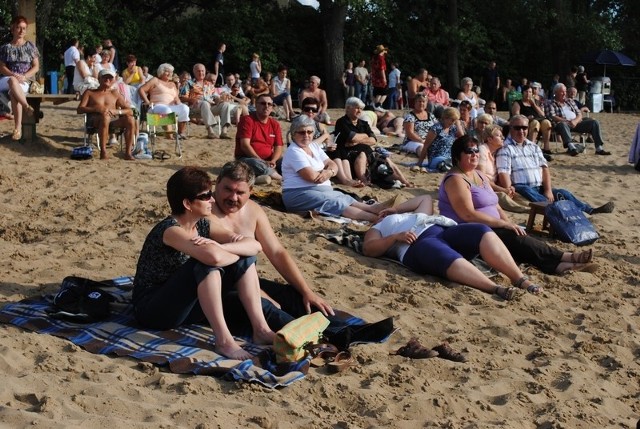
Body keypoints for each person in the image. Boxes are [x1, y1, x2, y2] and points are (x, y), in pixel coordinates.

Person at [133, 166, 275, 360]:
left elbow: (254, 246)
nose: (213, 200)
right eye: (205, 196)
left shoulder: (202, 224)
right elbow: (213, 259)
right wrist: (220, 251)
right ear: (187, 203)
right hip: (153, 310)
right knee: (205, 264)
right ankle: (224, 341)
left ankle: (261, 330)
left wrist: (222, 248)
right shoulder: (170, 230)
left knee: (245, 257)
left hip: (184, 306)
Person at [439, 134, 597, 278]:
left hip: (490, 225)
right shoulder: (456, 179)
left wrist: (509, 223)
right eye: (469, 151)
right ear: (457, 155)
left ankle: (560, 266)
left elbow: (496, 205)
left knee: (519, 237)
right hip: (469, 230)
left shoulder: (478, 174)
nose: (474, 154)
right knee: (516, 239)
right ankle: (565, 257)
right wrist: (503, 224)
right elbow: (467, 214)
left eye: (476, 150)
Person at [363, 194, 537, 301]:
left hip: (443, 229)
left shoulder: (414, 214)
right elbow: (369, 249)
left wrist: (395, 209)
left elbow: (424, 198)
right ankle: (495, 288)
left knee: (481, 229)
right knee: (438, 251)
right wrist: (395, 237)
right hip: (416, 243)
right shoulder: (378, 228)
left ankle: (520, 279)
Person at [496, 115, 615, 214]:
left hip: (539, 187)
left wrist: (548, 190)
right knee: (526, 189)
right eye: (517, 128)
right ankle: (556, 209)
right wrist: (509, 190)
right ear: (510, 128)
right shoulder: (506, 149)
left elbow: (544, 169)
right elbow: (503, 173)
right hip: (520, 187)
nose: (521, 131)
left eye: (524, 127)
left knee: (563, 193)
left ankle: (589, 210)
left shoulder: (533, 147)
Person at [281, 115, 391, 221]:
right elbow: (311, 177)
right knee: (335, 202)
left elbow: (332, 164)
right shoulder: (294, 151)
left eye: (309, 132)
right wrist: (329, 172)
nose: (306, 135)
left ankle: (373, 209)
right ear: (294, 134)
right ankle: (373, 218)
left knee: (344, 197)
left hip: (319, 190)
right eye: (302, 132)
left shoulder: (313, 146)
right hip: (299, 193)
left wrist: (329, 172)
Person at [77, 69, 136, 160]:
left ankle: (128, 153)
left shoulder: (115, 93)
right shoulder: (90, 92)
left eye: (110, 78)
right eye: (105, 77)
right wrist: (95, 109)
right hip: (95, 120)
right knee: (105, 117)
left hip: (113, 120)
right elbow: (80, 109)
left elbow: (130, 110)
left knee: (130, 119)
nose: (107, 80)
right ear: (99, 79)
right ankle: (103, 151)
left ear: (113, 80)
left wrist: (117, 111)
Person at [545, 83, 611, 156]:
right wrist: (566, 121)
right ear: (555, 92)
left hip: (576, 123)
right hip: (562, 124)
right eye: (562, 92)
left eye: (565, 91)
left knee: (594, 122)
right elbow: (551, 116)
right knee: (562, 124)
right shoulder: (550, 102)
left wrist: (575, 121)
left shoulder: (569, 101)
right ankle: (572, 148)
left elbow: (579, 113)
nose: (564, 93)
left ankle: (599, 148)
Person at [477, 124, 530, 213]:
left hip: (493, 186)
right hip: (483, 188)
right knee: (502, 195)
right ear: (489, 139)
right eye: (498, 136)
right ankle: (526, 210)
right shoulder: (482, 150)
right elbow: (481, 178)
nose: (503, 138)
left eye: (502, 136)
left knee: (516, 195)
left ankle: (535, 207)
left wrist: (508, 188)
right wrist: (502, 189)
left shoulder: (495, 153)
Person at [0, 16, 38, 141]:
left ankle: (17, 129)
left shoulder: (30, 47)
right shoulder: (5, 47)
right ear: (13, 29)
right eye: (18, 28)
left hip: (24, 79)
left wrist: (24, 76)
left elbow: (36, 66)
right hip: (7, 78)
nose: (21, 31)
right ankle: (26, 106)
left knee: (13, 92)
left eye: (24, 28)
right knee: (12, 81)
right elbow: (2, 67)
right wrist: (13, 74)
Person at [235, 93, 283, 183]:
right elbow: (245, 145)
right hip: (247, 158)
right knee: (256, 164)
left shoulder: (275, 124)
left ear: (272, 107)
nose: (266, 106)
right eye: (263, 103)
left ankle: (263, 176)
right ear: (256, 105)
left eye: (269, 104)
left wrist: (274, 160)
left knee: (287, 161)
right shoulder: (247, 120)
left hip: (269, 159)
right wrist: (260, 160)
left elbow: (279, 146)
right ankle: (279, 177)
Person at [138, 63, 190, 139]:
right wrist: (147, 102)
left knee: (185, 108)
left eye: (171, 72)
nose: (170, 74)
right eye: (167, 71)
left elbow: (177, 99)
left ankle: (180, 133)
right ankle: (170, 135)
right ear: (161, 72)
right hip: (156, 106)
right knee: (166, 110)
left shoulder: (172, 84)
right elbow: (141, 89)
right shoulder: (155, 80)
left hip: (171, 106)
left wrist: (181, 105)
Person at [414, 106, 464, 172]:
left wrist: (458, 124)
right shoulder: (436, 128)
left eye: (455, 121)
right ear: (446, 117)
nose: (453, 122)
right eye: (452, 120)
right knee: (448, 166)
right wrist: (419, 163)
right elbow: (426, 146)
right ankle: (431, 169)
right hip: (436, 158)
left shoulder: (453, 128)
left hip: (448, 158)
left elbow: (463, 138)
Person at [511, 84, 553, 158]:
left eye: (530, 92)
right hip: (525, 123)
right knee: (535, 123)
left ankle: (546, 147)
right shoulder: (517, 103)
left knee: (547, 122)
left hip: (538, 121)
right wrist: (527, 118)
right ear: (522, 93)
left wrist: (534, 105)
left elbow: (543, 115)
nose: (528, 94)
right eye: (526, 92)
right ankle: (531, 147)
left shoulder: (535, 103)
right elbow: (516, 116)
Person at [180, 63, 220, 139]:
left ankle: (224, 132)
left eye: (202, 71)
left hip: (210, 106)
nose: (201, 73)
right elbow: (182, 98)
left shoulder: (209, 84)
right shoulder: (189, 83)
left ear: (205, 72)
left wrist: (219, 99)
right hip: (195, 106)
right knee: (204, 103)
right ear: (194, 72)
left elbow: (215, 96)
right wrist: (192, 99)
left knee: (225, 105)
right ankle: (210, 130)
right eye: (198, 71)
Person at [370, 45, 388, 109]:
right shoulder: (381, 59)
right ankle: (378, 105)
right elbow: (382, 69)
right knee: (385, 93)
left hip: (375, 78)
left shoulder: (374, 58)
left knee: (378, 93)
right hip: (380, 78)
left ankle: (375, 106)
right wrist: (384, 78)